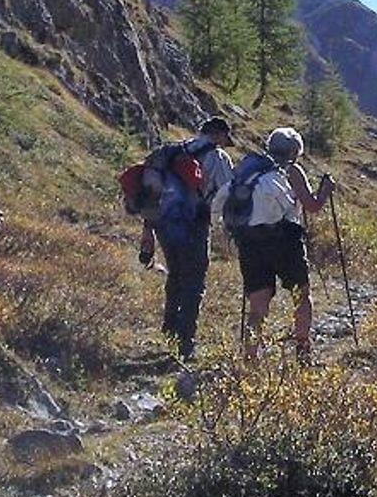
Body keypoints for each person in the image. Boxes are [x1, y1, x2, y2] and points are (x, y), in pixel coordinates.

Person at [138, 116, 235, 361]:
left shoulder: (172, 152)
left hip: (164, 225)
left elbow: (152, 191)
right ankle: (185, 341)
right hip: (194, 224)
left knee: (176, 274)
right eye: (225, 137)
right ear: (219, 135)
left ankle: (170, 330)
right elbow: (228, 193)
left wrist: (148, 230)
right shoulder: (218, 158)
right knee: (194, 281)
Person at [235, 126, 334, 359]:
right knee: (301, 296)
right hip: (285, 239)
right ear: (293, 151)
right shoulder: (292, 171)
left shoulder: (251, 169)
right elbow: (312, 206)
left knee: (257, 306)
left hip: (250, 240)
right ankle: (303, 351)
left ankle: (250, 359)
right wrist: (325, 191)